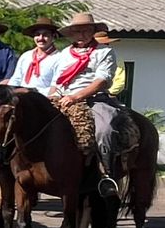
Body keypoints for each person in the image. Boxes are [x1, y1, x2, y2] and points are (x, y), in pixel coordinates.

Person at [39, 11, 122, 197]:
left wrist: (76, 97)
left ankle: (106, 174)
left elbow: (101, 80)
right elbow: (58, 81)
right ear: (72, 34)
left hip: (95, 99)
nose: (82, 34)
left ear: (93, 31)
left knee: (105, 128)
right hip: (64, 98)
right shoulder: (64, 55)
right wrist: (51, 97)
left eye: (86, 30)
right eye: (78, 31)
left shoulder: (104, 51)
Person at [8, 18, 60, 91]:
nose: (40, 38)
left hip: (43, 99)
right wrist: (10, 91)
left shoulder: (59, 58)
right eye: (37, 35)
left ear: (53, 36)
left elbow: (56, 87)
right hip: (20, 96)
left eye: (45, 35)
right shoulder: (26, 56)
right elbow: (16, 78)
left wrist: (31, 92)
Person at [95, 25, 127, 98]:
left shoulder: (115, 58)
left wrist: (110, 93)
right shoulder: (85, 56)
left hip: (106, 95)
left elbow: (120, 80)